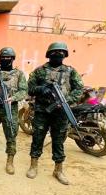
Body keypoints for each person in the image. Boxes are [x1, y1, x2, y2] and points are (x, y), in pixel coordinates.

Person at [26, 42, 84, 185]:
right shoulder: (40, 71)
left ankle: (58, 169)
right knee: (38, 137)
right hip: (42, 111)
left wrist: (65, 100)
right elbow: (30, 88)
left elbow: (79, 89)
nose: (58, 54)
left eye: (61, 52)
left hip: (61, 112)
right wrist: (41, 89)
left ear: (65, 55)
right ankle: (33, 165)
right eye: (55, 52)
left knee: (58, 141)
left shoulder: (71, 71)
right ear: (49, 54)